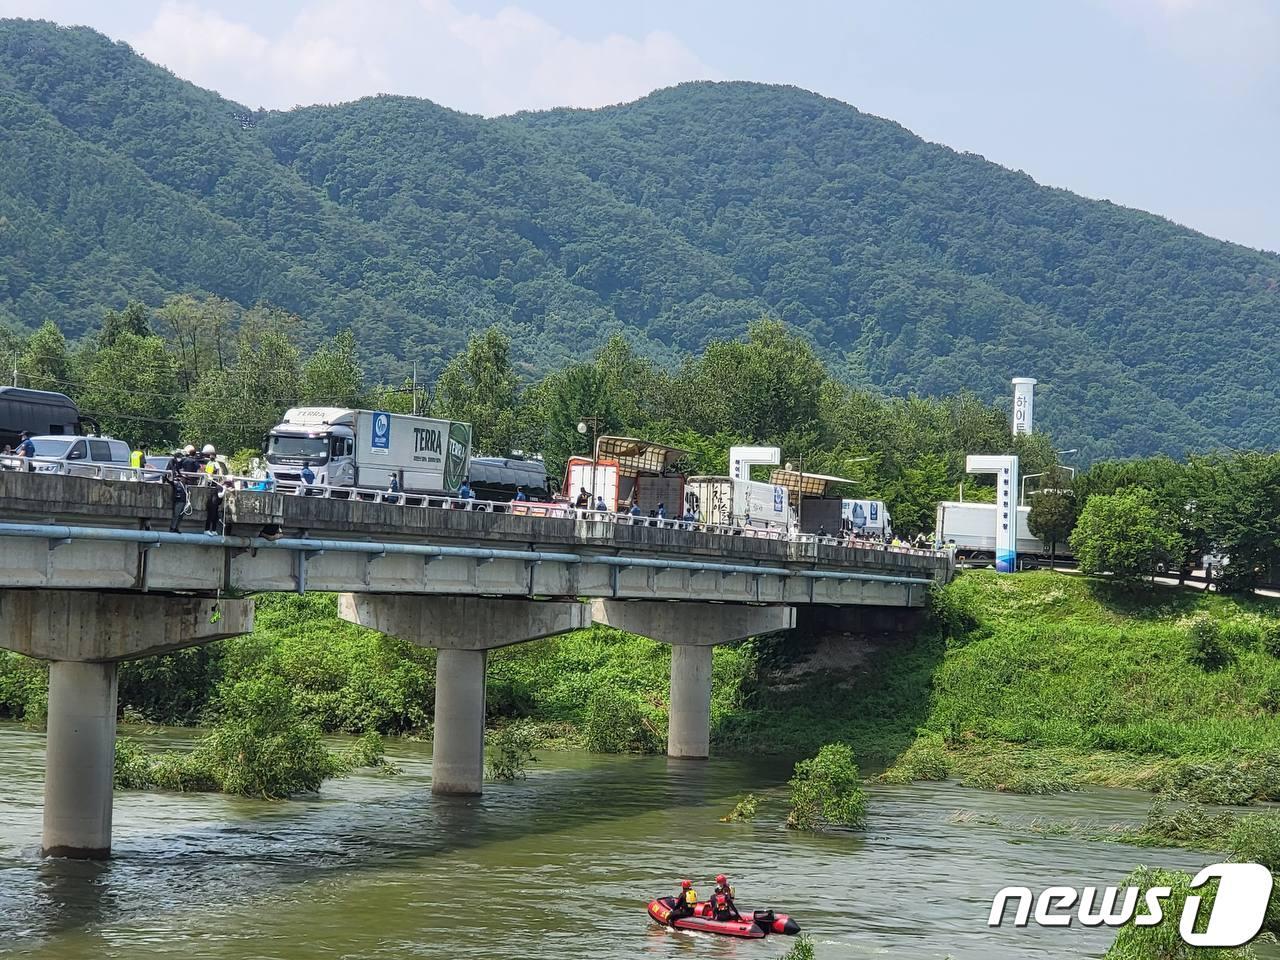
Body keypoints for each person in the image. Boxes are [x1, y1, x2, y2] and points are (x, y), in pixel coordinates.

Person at [166, 446, 200, 533]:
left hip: (183, 501)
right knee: (176, 514)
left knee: (181, 515)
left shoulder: (185, 485)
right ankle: (173, 528)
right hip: (178, 500)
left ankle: (176, 527)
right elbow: (170, 481)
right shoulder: (177, 484)